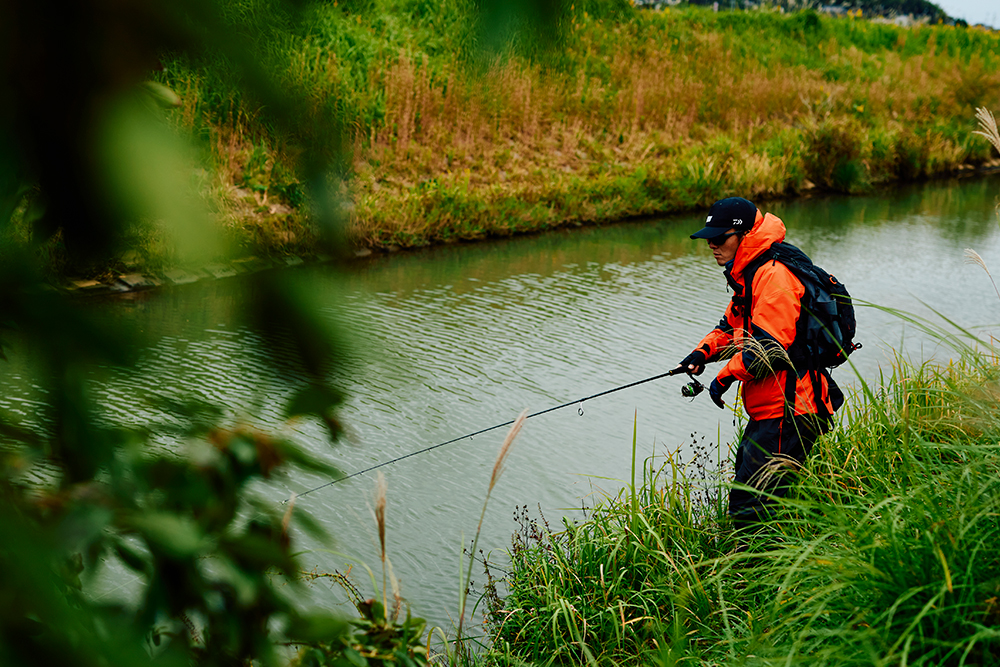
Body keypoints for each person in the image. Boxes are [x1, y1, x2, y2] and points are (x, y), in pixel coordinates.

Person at [675, 196, 836, 533]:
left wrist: (723, 378)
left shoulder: (772, 276)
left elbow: (769, 348)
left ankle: (754, 576)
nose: (713, 246)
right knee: (755, 499)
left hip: (790, 410)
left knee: (753, 512)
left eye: (720, 239)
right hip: (771, 409)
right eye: (709, 239)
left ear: (744, 235)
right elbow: (732, 328)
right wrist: (701, 354)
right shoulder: (752, 274)